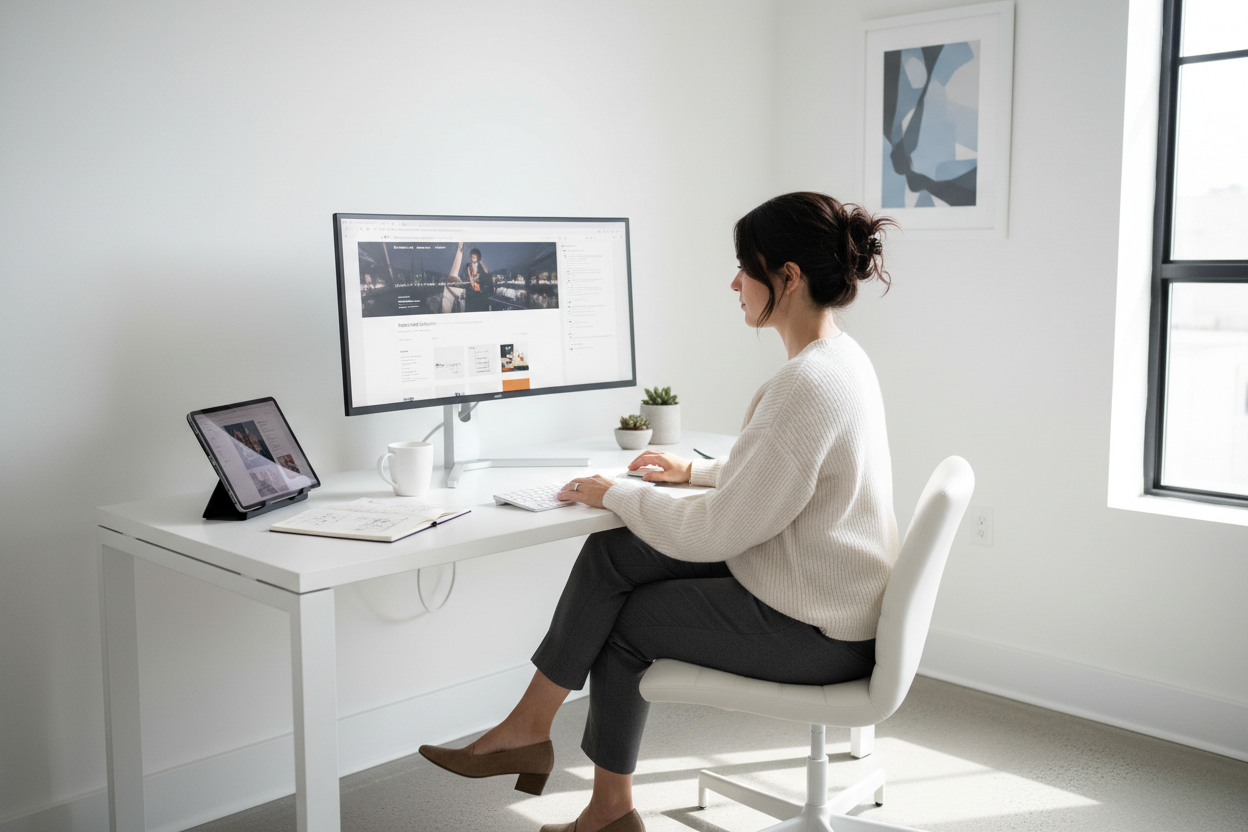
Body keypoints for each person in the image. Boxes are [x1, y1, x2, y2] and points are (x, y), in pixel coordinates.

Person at [419, 192, 899, 832]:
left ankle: (604, 809)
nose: (733, 281)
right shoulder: (839, 359)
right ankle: (530, 729)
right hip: (821, 589)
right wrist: (692, 471)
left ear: (787, 277)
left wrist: (615, 492)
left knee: (626, 625)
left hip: (819, 630)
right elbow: (783, 476)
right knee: (614, 553)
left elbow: (720, 530)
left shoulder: (804, 385)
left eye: (743, 267)